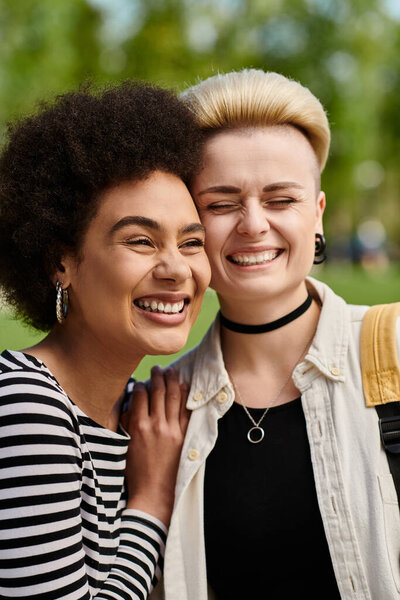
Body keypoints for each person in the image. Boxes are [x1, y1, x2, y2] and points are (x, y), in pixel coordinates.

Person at [148, 69, 400, 600]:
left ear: (318, 215)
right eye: (221, 203)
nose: (254, 223)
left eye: (281, 199)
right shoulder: (161, 411)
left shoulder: (395, 345)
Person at [0, 81, 211, 599]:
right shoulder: (26, 405)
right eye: (140, 240)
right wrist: (152, 500)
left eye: (191, 241)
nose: (175, 268)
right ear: (61, 262)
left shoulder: (133, 410)